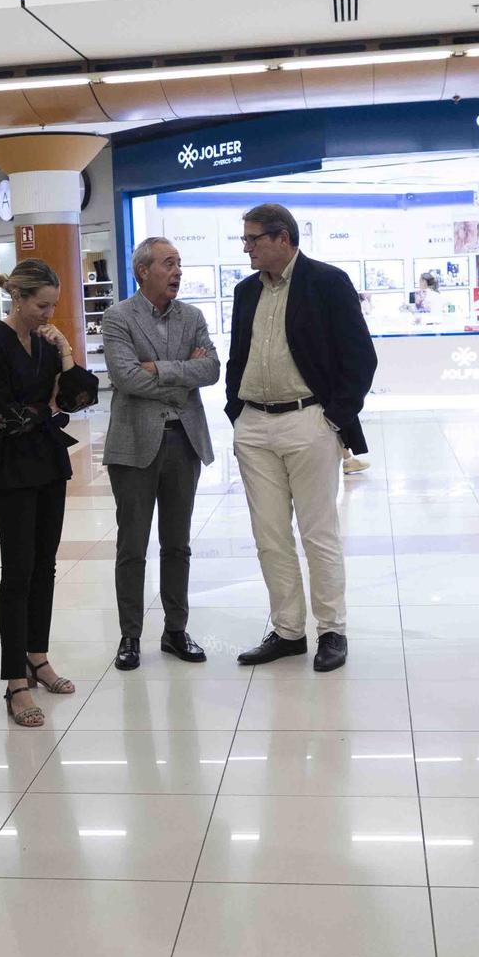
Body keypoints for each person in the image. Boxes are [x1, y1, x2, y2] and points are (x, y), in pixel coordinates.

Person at [226, 203, 377, 674]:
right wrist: (237, 410)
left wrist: (332, 418)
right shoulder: (245, 291)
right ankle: (288, 630)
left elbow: (361, 358)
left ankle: (331, 630)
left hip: (308, 420)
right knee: (269, 535)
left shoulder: (327, 283)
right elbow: (238, 354)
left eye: (252, 239)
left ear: (282, 238)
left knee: (318, 532)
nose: (246, 248)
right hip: (254, 425)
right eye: (245, 240)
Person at [0, 260, 98, 727]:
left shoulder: (45, 344)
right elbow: (5, 420)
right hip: (13, 470)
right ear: (17, 299)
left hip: (48, 464)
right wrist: (46, 408)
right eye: (41, 305)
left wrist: (65, 354)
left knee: (46, 566)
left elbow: (80, 397)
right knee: (18, 572)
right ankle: (14, 681)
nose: (48, 314)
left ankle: (37, 658)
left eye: (53, 307)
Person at [99, 237, 218, 671]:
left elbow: (211, 369)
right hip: (134, 446)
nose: (177, 272)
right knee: (132, 545)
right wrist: (182, 374)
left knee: (177, 544)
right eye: (169, 264)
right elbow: (127, 378)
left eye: (180, 264)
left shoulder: (193, 316)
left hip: (183, 443)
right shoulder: (118, 317)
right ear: (143, 271)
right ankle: (130, 636)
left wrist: (160, 369)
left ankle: (175, 630)